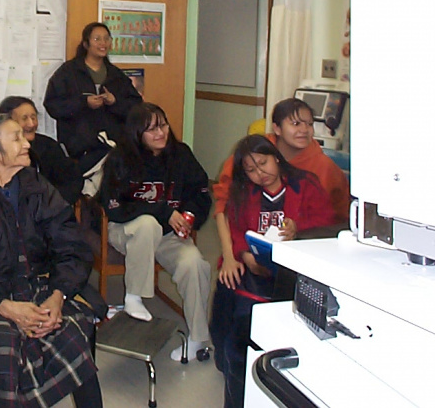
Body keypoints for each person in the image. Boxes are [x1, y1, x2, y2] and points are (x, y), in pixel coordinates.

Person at [0, 114, 103, 408]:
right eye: (16, 138)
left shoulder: (37, 186)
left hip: (39, 287)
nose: (27, 143)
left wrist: (58, 296)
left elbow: (73, 247)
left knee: (73, 335)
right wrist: (3, 305)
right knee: (2, 347)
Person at [210, 134, 334, 408]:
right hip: (256, 270)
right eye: (251, 170)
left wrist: (297, 230)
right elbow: (236, 229)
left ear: (276, 158)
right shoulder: (245, 193)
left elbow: (327, 228)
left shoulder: (305, 184)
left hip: (295, 273)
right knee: (237, 331)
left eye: (263, 163)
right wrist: (243, 254)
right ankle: (233, 377)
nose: (260, 174)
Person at [98, 102, 212, 361]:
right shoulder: (120, 158)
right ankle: (133, 297)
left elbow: (201, 192)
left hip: (167, 235)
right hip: (127, 230)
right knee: (148, 224)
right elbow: (115, 207)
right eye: (150, 129)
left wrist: (189, 217)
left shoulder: (181, 154)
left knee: (195, 265)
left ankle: (197, 338)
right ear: (137, 134)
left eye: (162, 125)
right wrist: (163, 212)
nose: (160, 133)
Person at [212, 98, 349, 290]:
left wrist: (299, 228)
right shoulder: (252, 155)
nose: (304, 130)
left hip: (304, 251)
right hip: (248, 249)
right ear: (277, 128)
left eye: (309, 124)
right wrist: (232, 256)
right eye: (295, 123)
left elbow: (335, 222)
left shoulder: (322, 169)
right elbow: (225, 209)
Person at [44, 22, 142, 175]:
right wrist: (84, 103)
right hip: (79, 149)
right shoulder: (68, 72)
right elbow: (53, 105)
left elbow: (136, 106)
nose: (103, 43)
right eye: (97, 39)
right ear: (86, 44)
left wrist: (114, 102)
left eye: (106, 39)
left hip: (112, 148)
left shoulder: (116, 75)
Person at [0, 95, 83, 206]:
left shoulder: (48, 146)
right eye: (24, 118)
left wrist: (53, 204)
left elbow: (72, 180)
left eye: (33, 117)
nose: (31, 124)